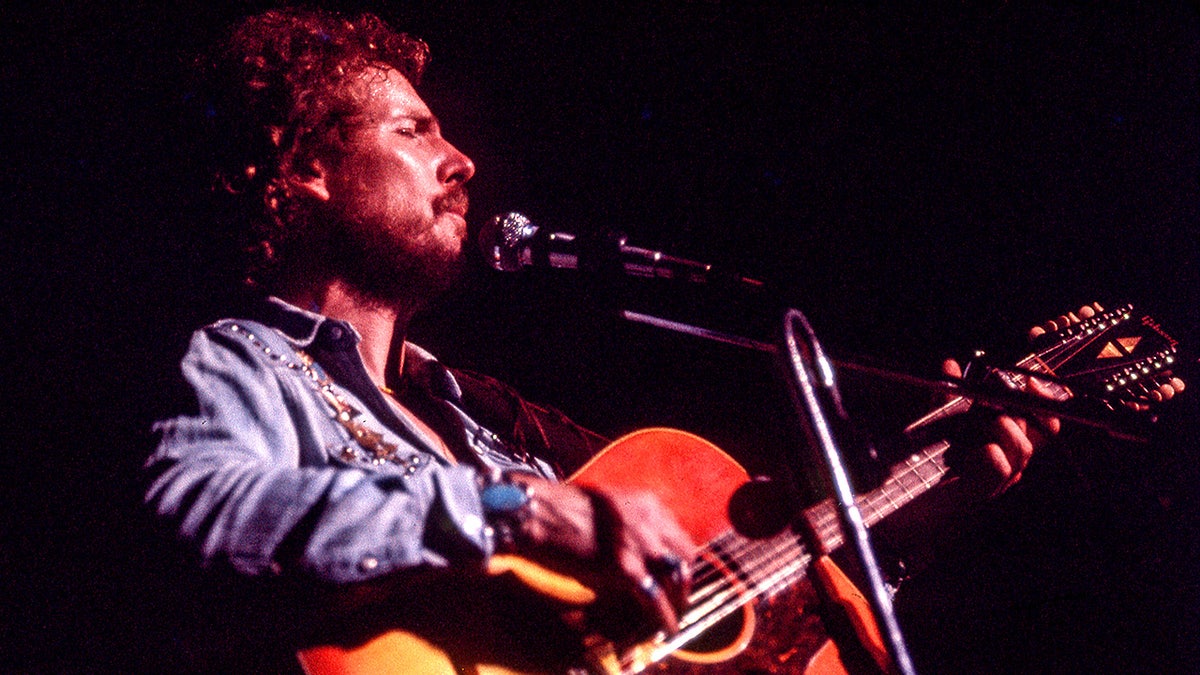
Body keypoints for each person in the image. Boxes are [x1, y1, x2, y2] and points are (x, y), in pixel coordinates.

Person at [144, 7, 1069, 673]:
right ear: (306, 166)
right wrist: (520, 513)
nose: (459, 160)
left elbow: (750, 573)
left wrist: (927, 491)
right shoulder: (245, 358)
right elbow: (199, 506)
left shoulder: (485, 414)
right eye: (414, 130)